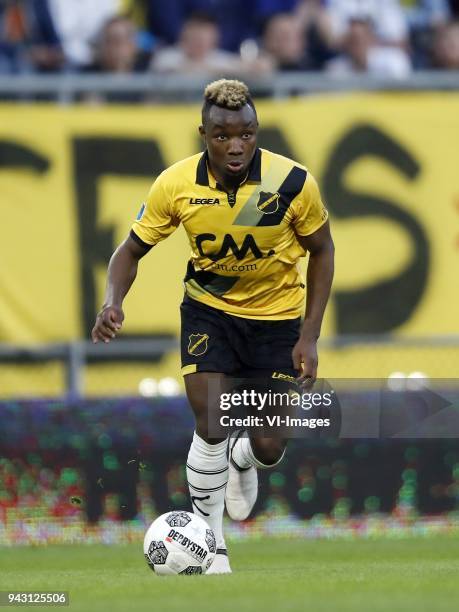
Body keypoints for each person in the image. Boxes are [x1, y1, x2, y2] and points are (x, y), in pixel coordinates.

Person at [91, 79, 334, 573]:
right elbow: (130, 250)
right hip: (209, 312)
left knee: (269, 447)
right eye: (223, 135)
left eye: (246, 132)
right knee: (211, 419)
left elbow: (323, 250)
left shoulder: (291, 183)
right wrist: (112, 301)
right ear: (203, 133)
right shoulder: (176, 184)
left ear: (256, 130)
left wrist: (309, 333)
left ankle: (244, 456)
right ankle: (213, 545)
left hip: (277, 319)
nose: (236, 144)